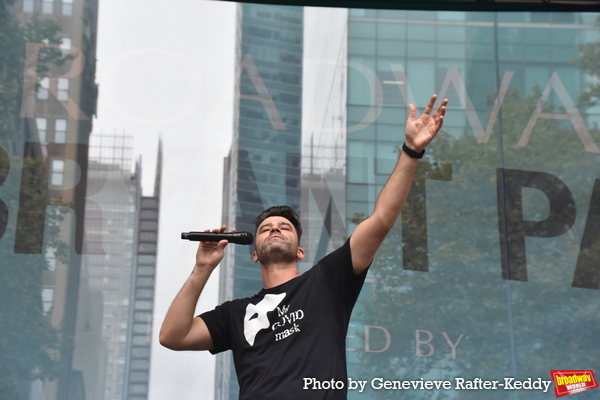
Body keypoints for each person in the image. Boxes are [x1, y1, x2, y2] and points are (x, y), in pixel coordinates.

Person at [159, 94, 448, 399]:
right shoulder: (235, 313)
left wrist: (411, 150)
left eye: (284, 227)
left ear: (300, 251)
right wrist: (202, 268)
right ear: (255, 254)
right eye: (265, 228)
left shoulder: (327, 281)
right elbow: (172, 336)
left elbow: (381, 220)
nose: (274, 228)